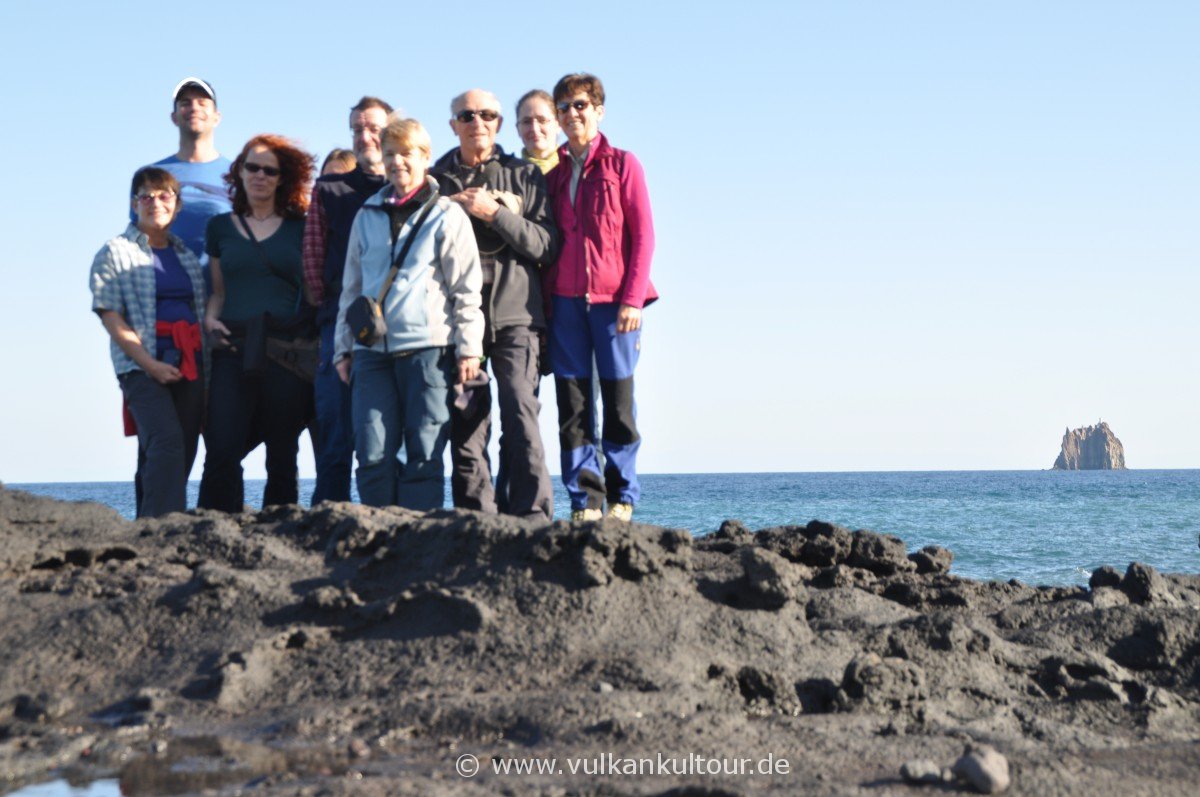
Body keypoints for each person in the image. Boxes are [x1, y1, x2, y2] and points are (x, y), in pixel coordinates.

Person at [334, 117, 483, 510]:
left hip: (430, 351)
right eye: (389, 154)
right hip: (371, 353)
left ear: (425, 158)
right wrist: (342, 350)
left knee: (425, 451)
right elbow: (351, 288)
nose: (398, 162)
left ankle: (418, 550)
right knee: (371, 452)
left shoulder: (447, 215)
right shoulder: (366, 214)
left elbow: (466, 289)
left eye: (407, 154)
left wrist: (470, 350)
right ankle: (376, 545)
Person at [432, 89, 557, 521]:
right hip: (456, 325)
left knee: (521, 419)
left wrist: (494, 213)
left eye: (487, 115)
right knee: (467, 429)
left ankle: (534, 520)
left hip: (517, 318)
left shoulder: (524, 175)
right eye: (466, 115)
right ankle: (475, 521)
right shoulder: (435, 179)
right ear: (453, 125)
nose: (477, 122)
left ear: (499, 124)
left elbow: (546, 245)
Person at [545, 73, 657, 522]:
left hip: (615, 305)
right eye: (564, 107)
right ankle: (584, 500)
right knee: (572, 404)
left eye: (581, 105)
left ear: (598, 111)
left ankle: (622, 497)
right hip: (565, 304)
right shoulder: (552, 176)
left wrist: (632, 299)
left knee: (617, 400)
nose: (573, 114)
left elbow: (644, 236)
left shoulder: (623, 165)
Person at [198, 135, 317, 512]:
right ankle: (211, 527)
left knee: (282, 453)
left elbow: (314, 292)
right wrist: (209, 319)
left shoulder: (301, 227)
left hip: (286, 349)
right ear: (239, 172)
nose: (260, 176)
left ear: (283, 178)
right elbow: (218, 290)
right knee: (222, 445)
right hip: (233, 346)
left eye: (270, 170)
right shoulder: (220, 227)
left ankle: (281, 534)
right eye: (252, 167)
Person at [91, 167, 207, 517]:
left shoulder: (186, 255)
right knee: (166, 441)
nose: (155, 202)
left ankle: (145, 526)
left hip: (190, 359)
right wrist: (150, 364)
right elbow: (110, 315)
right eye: (146, 196)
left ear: (177, 205)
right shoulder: (115, 251)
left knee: (178, 447)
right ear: (134, 204)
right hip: (141, 364)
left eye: (164, 195)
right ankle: (163, 529)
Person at [303, 96, 394, 504]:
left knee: (390, 435)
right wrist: (338, 313)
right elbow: (312, 264)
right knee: (335, 434)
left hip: (399, 328)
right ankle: (327, 525)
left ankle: (394, 527)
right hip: (338, 327)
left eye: (373, 127)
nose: (364, 136)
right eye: (357, 129)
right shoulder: (328, 190)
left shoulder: (409, 188)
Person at [134, 78, 231, 265]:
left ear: (217, 117)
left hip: (222, 291)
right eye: (185, 103)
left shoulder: (239, 175)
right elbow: (136, 237)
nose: (194, 108)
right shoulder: (150, 176)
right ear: (174, 117)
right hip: (161, 289)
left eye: (202, 103)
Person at [515, 89, 561, 175]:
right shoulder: (507, 176)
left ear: (558, 124)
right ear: (518, 129)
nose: (534, 128)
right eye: (527, 122)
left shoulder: (575, 171)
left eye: (542, 120)